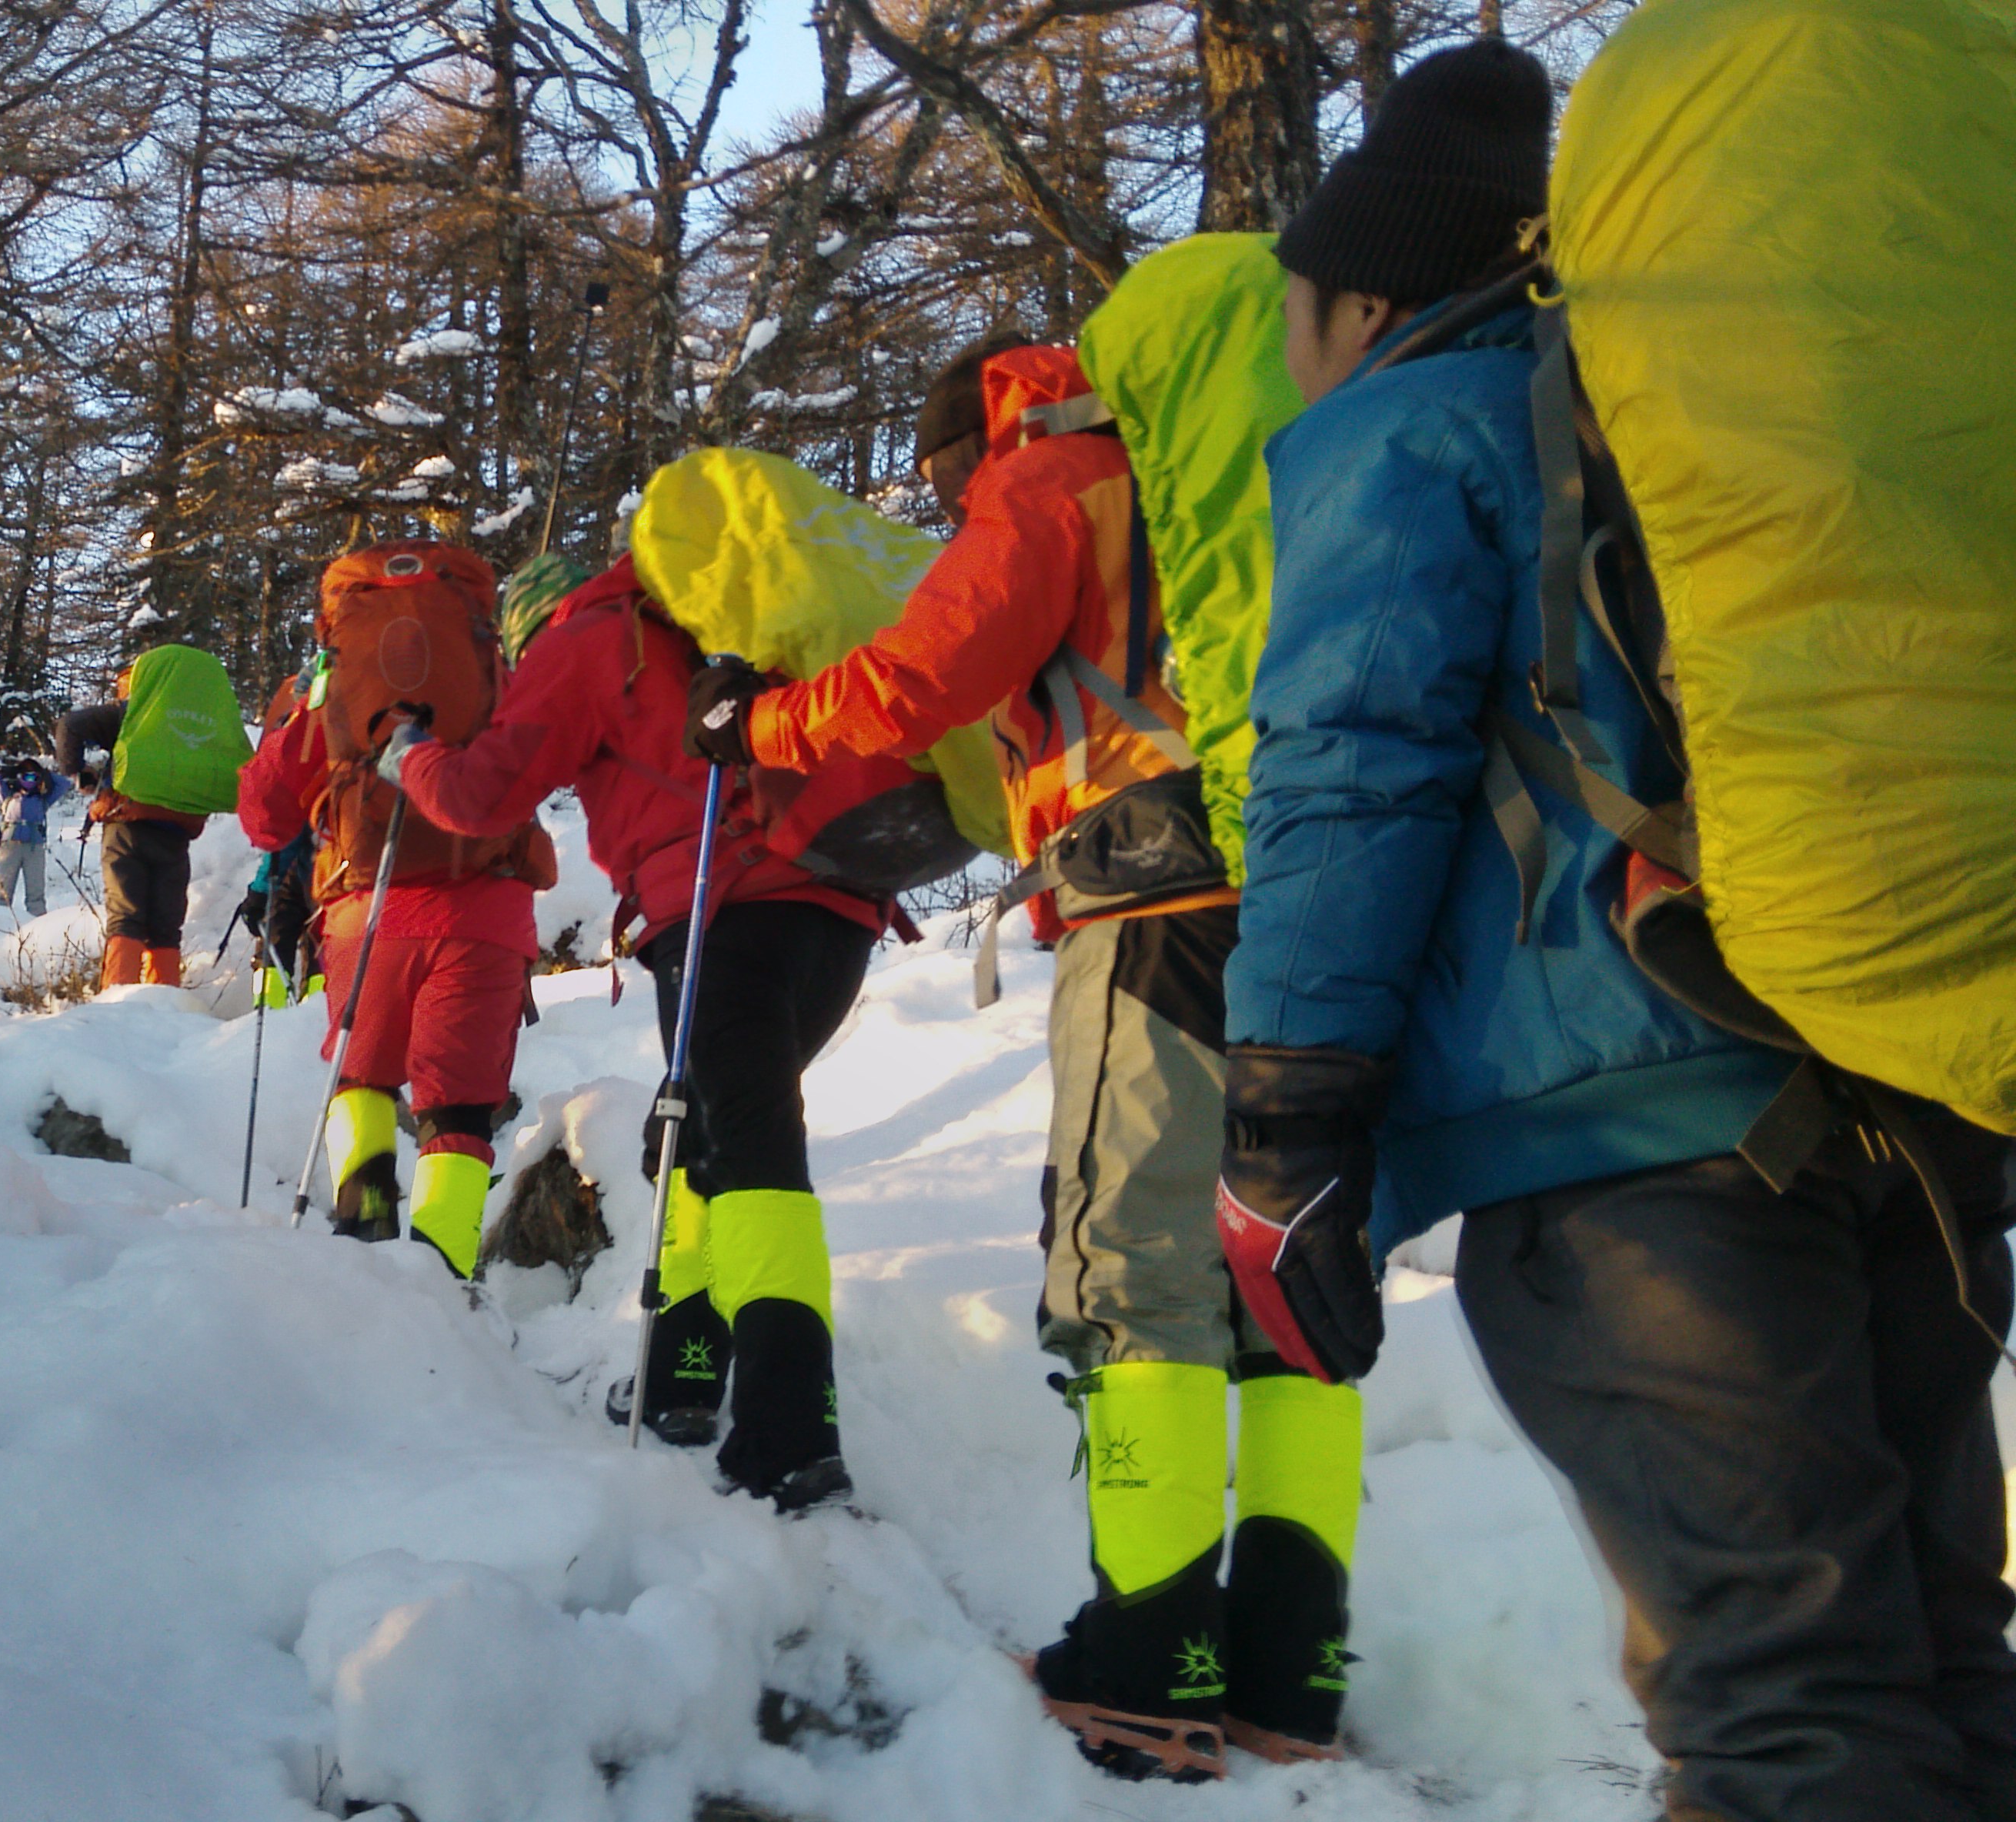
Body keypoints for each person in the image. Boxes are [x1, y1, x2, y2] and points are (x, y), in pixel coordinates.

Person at [1223, 42, 2015, 1822]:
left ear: (1361, 300)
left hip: (1633, 1147)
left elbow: (1349, 761)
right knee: (1938, 1659)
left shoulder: (1407, 421)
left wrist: (1281, 1116)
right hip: (1893, 1088)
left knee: (1782, 1698)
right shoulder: (1695, 406)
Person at [686, 308, 1344, 1780]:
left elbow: (923, 672)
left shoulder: (1046, 481)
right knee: (1286, 1270)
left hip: (1155, 895)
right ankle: (1291, 1665)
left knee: (1137, 1271)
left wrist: (758, 724)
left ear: (966, 439)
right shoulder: (1225, 477)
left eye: (936, 490)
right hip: (1314, 891)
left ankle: (1145, 1660)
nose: (940, 513)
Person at [390, 555, 880, 1516]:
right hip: (840, 906)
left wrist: (408, 754)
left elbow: (481, 794)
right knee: (700, 1138)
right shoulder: (718, 615)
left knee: (751, 1160)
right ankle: (682, 1377)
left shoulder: (585, 638)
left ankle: (790, 1434)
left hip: (722, 908)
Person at [237, 663, 545, 1280]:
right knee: (459, 1108)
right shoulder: (491, 676)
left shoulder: (338, 684)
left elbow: (265, 817)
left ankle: (364, 1232)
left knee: (361, 1077)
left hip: (369, 912)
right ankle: (446, 1283)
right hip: (486, 916)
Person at [55, 662, 210, 988]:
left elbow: (70, 725)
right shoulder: (194, 721)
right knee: (166, 926)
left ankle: (118, 1003)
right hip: (176, 830)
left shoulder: (133, 711)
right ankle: (164, 1002)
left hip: (126, 824)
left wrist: (77, 771)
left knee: (126, 917)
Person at [0, 756, 66, 914]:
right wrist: (9, 770)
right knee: (3, 892)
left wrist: (46, 774)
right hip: (10, 845)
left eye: (34, 777)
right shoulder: (8, 794)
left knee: (36, 894)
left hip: (35, 847)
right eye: (26, 776)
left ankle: (38, 926)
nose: (30, 780)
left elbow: (64, 783)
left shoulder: (43, 799)